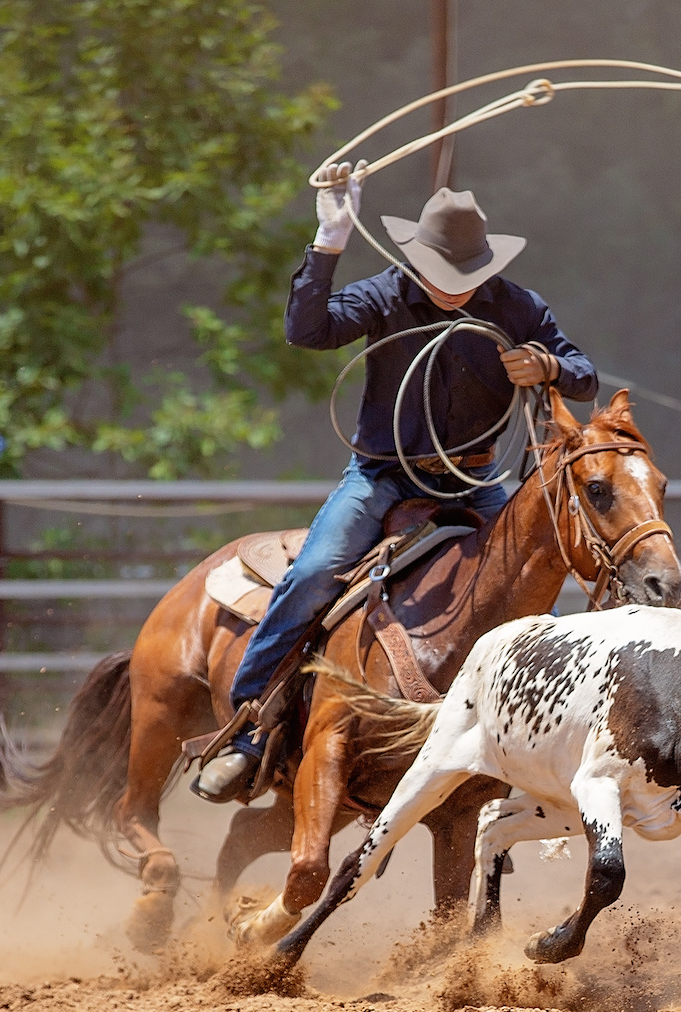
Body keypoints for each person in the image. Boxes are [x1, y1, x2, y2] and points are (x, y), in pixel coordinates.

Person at [192, 165, 598, 801]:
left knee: (536, 576)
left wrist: (547, 364)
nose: (455, 290)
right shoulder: (384, 295)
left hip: (473, 480)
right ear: (419, 261)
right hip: (381, 475)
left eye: (467, 277)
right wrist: (329, 241)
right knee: (314, 571)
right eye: (444, 276)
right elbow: (308, 331)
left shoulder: (515, 308)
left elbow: (582, 374)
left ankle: (537, 738)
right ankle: (248, 728)